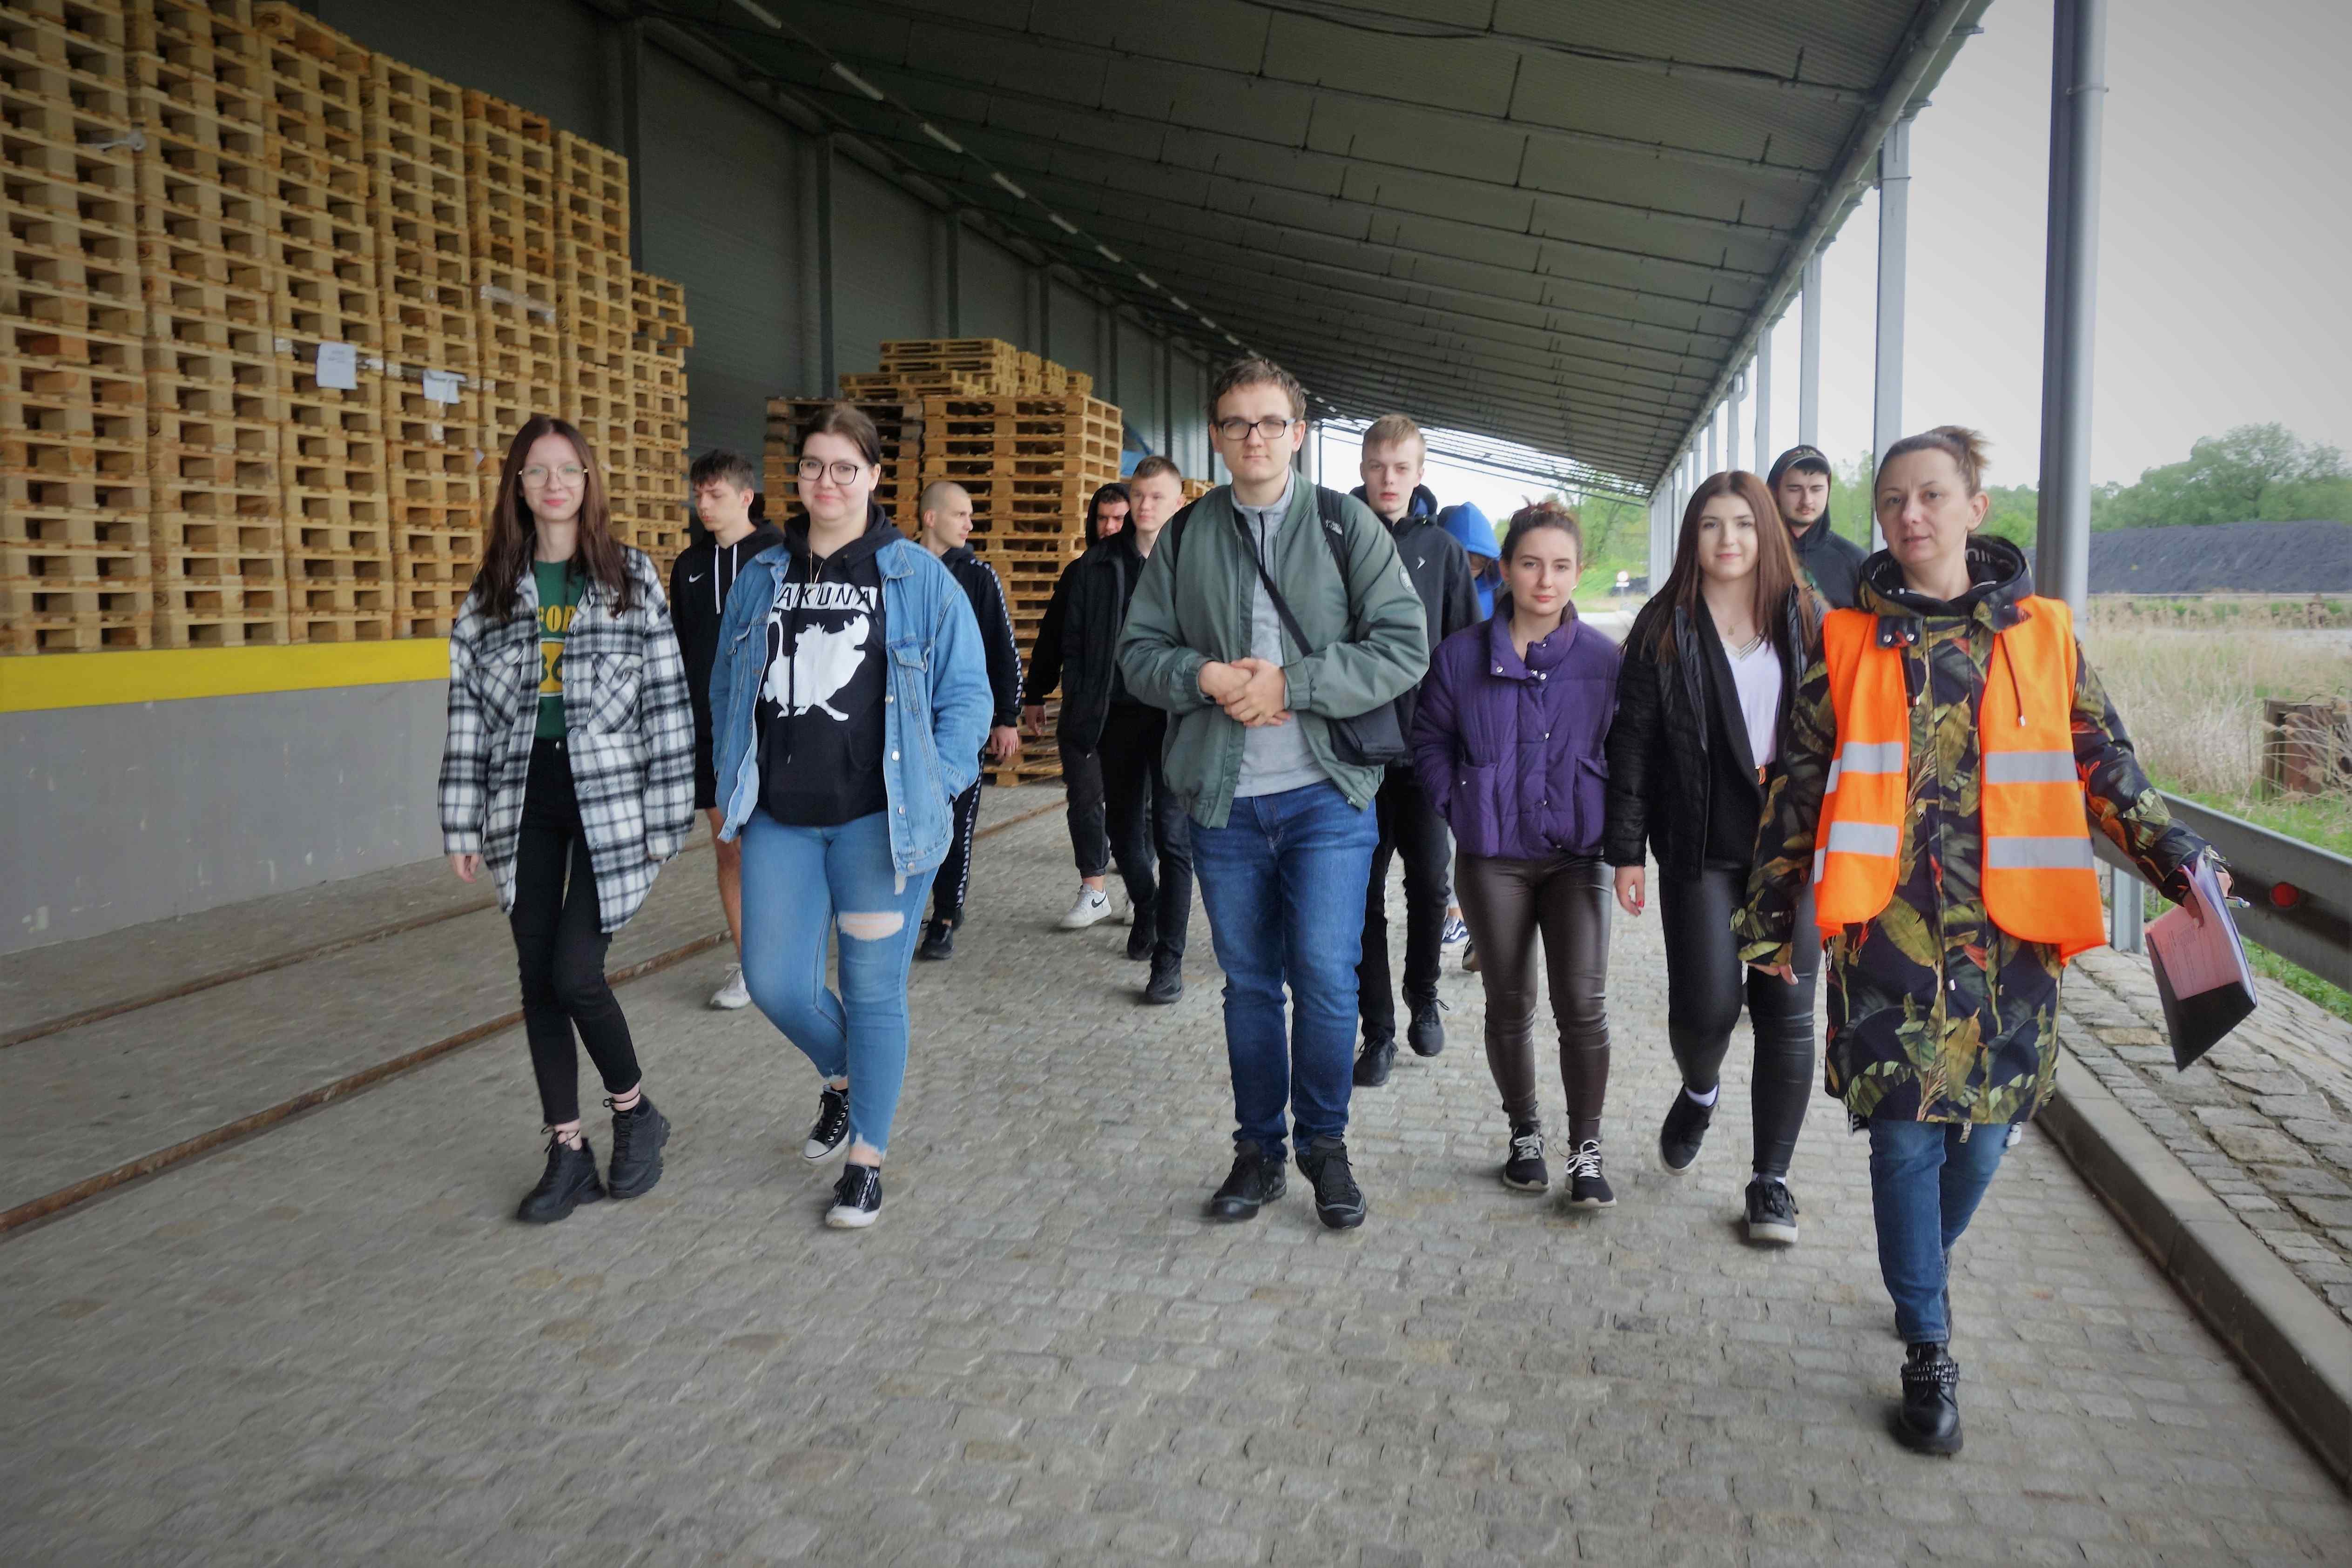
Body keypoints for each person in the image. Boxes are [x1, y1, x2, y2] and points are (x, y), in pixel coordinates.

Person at [1735, 427, 2222, 1455]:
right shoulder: (1846, 640)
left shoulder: (2043, 635)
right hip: (1886, 931)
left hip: (2013, 938)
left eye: (1930, 495)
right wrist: (1771, 912)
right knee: (1905, 1136)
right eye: (1892, 500)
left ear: (1974, 507)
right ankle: (1926, 1340)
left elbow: (2104, 763)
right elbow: (1797, 786)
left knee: (1988, 1136)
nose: (1909, 515)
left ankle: (1925, 1264)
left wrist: (2178, 857)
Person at [1119, 357, 1429, 1231]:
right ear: (1215, 438)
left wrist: (1292, 684)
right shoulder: (1186, 534)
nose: (1252, 437)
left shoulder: (1343, 524)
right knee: (1250, 984)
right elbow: (1138, 654)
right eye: (1234, 423)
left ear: (1297, 433)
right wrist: (1206, 675)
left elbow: (1404, 644)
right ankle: (1257, 1151)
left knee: (1326, 979)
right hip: (1224, 803)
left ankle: (1324, 1146)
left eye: (1269, 422)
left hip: (1326, 796)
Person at [711, 404, 991, 1230]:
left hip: (878, 823)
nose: (826, 481)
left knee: (872, 991)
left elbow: (967, 696)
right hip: (781, 819)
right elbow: (728, 685)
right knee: (774, 980)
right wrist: (730, 778)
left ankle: (866, 1158)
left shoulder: (916, 576)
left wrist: (935, 783)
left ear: (872, 475)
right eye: (812, 465)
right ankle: (845, 1076)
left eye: (844, 467)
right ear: (795, 477)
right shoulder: (763, 573)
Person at [438, 415, 695, 1223]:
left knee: (576, 970)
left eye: (568, 469)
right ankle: (568, 1149)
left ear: (588, 482)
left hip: (611, 799)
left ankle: (635, 1112)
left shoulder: (628, 575)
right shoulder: (490, 592)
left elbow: (667, 699)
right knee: (535, 975)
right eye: (538, 471)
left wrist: (668, 816)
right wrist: (460, 820)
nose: (554, 484)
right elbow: (467, 715)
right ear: (517, 486)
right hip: (525, 797)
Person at [1604, 471, 1822, 1245]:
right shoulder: (1663, 624)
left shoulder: (1808, 618)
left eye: (1743, 523)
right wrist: (1626, 850)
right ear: (1691, 537)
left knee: (1786, 1013)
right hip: (1699, 842)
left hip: (1791, 849)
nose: (1728, 539)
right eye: (1710, 525)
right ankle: (1699, 1090)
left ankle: (1771, 1180)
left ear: (1767, 532)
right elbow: (1630, 742)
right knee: (1707, 1009)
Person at [1410, 500, 1620, 1205]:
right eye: (1530, 564)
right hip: (1491, 856)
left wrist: (1619, 836)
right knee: (1509, 1002)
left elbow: (1629, 752)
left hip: (1577, 857)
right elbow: (1429, 739)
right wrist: (1460, 801)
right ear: (1504, 569)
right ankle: (1524, 1132)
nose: (1544, 580)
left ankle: (1586, 1149)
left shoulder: (1604, 662)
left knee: (1582, 1004)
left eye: (1560, 566)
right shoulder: (1460, 656)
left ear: (1579, 571)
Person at [1348, 416, 1479, 1088]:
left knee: (1430, 883)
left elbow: (1466, 652)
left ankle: (1422, 993)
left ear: (1420, 474)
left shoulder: (1442, 551)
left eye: (1401, 468)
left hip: (1424, 751)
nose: (1388, 479)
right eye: (1378, 466)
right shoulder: (1334, 536)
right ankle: (1376, 1031)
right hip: (1352, 752)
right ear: (1363, 468)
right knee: (1360, 896)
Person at [668, 449, 783, 1009]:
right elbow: (680, 648)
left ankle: (792, 953)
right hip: (711, 731)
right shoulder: (687, 566)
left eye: (715, 495)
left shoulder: (782, 556)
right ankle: (751, 967)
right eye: (698, 495)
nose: (704, 505)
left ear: (746, 497)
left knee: (776, 850)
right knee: (730, 850)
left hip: (774, 728)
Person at [912, 480, 1024, 961]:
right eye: (961, 514)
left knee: (956, 823)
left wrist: (1006, 718)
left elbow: (1003, 651)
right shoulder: (896, 568)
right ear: (930, 518)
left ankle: (944, 917)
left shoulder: (979, 577)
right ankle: (903, 911)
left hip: (960, 723)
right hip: (904, 721)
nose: (970, 524)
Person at [1105, 455, 1198, 1003]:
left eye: (1157, 497)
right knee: (1121, 831)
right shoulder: (1101, 563)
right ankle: (1148, 903)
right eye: (1138, 495)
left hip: (1175, 716)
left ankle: (1169, 960)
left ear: (1178, 503)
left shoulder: (1194, 566)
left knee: (1173, 836)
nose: (1145, 506)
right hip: (1119, 712)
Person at [1023, 483, 1137, 932]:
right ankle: (1094, 890)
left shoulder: (1155, 571)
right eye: (1102, 518)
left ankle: (1138, 889)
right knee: (1085, 797)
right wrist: (1035, 694)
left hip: (1138, 708)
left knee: (1141, 804)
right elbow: (1052, 636)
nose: (1109, 527)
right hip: (1085, 707)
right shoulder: (1079, 573)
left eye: (1118, 518)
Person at [1438, 499, 1502, 974]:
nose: (1467, 568)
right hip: (1438, 723)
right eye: (1459, 557)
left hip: (1485, 726)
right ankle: (1458, 915)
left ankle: (1472, 923)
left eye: (1476, 560)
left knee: (1480, 827)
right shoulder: (1425, 584)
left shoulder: (1501, 596)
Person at [1766, 444, 1867, 609]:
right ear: (1775, 492)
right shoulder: (1755, 553)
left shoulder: (1855, 562)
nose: (1807, 500)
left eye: (1817, 489)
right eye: (1795, 489)